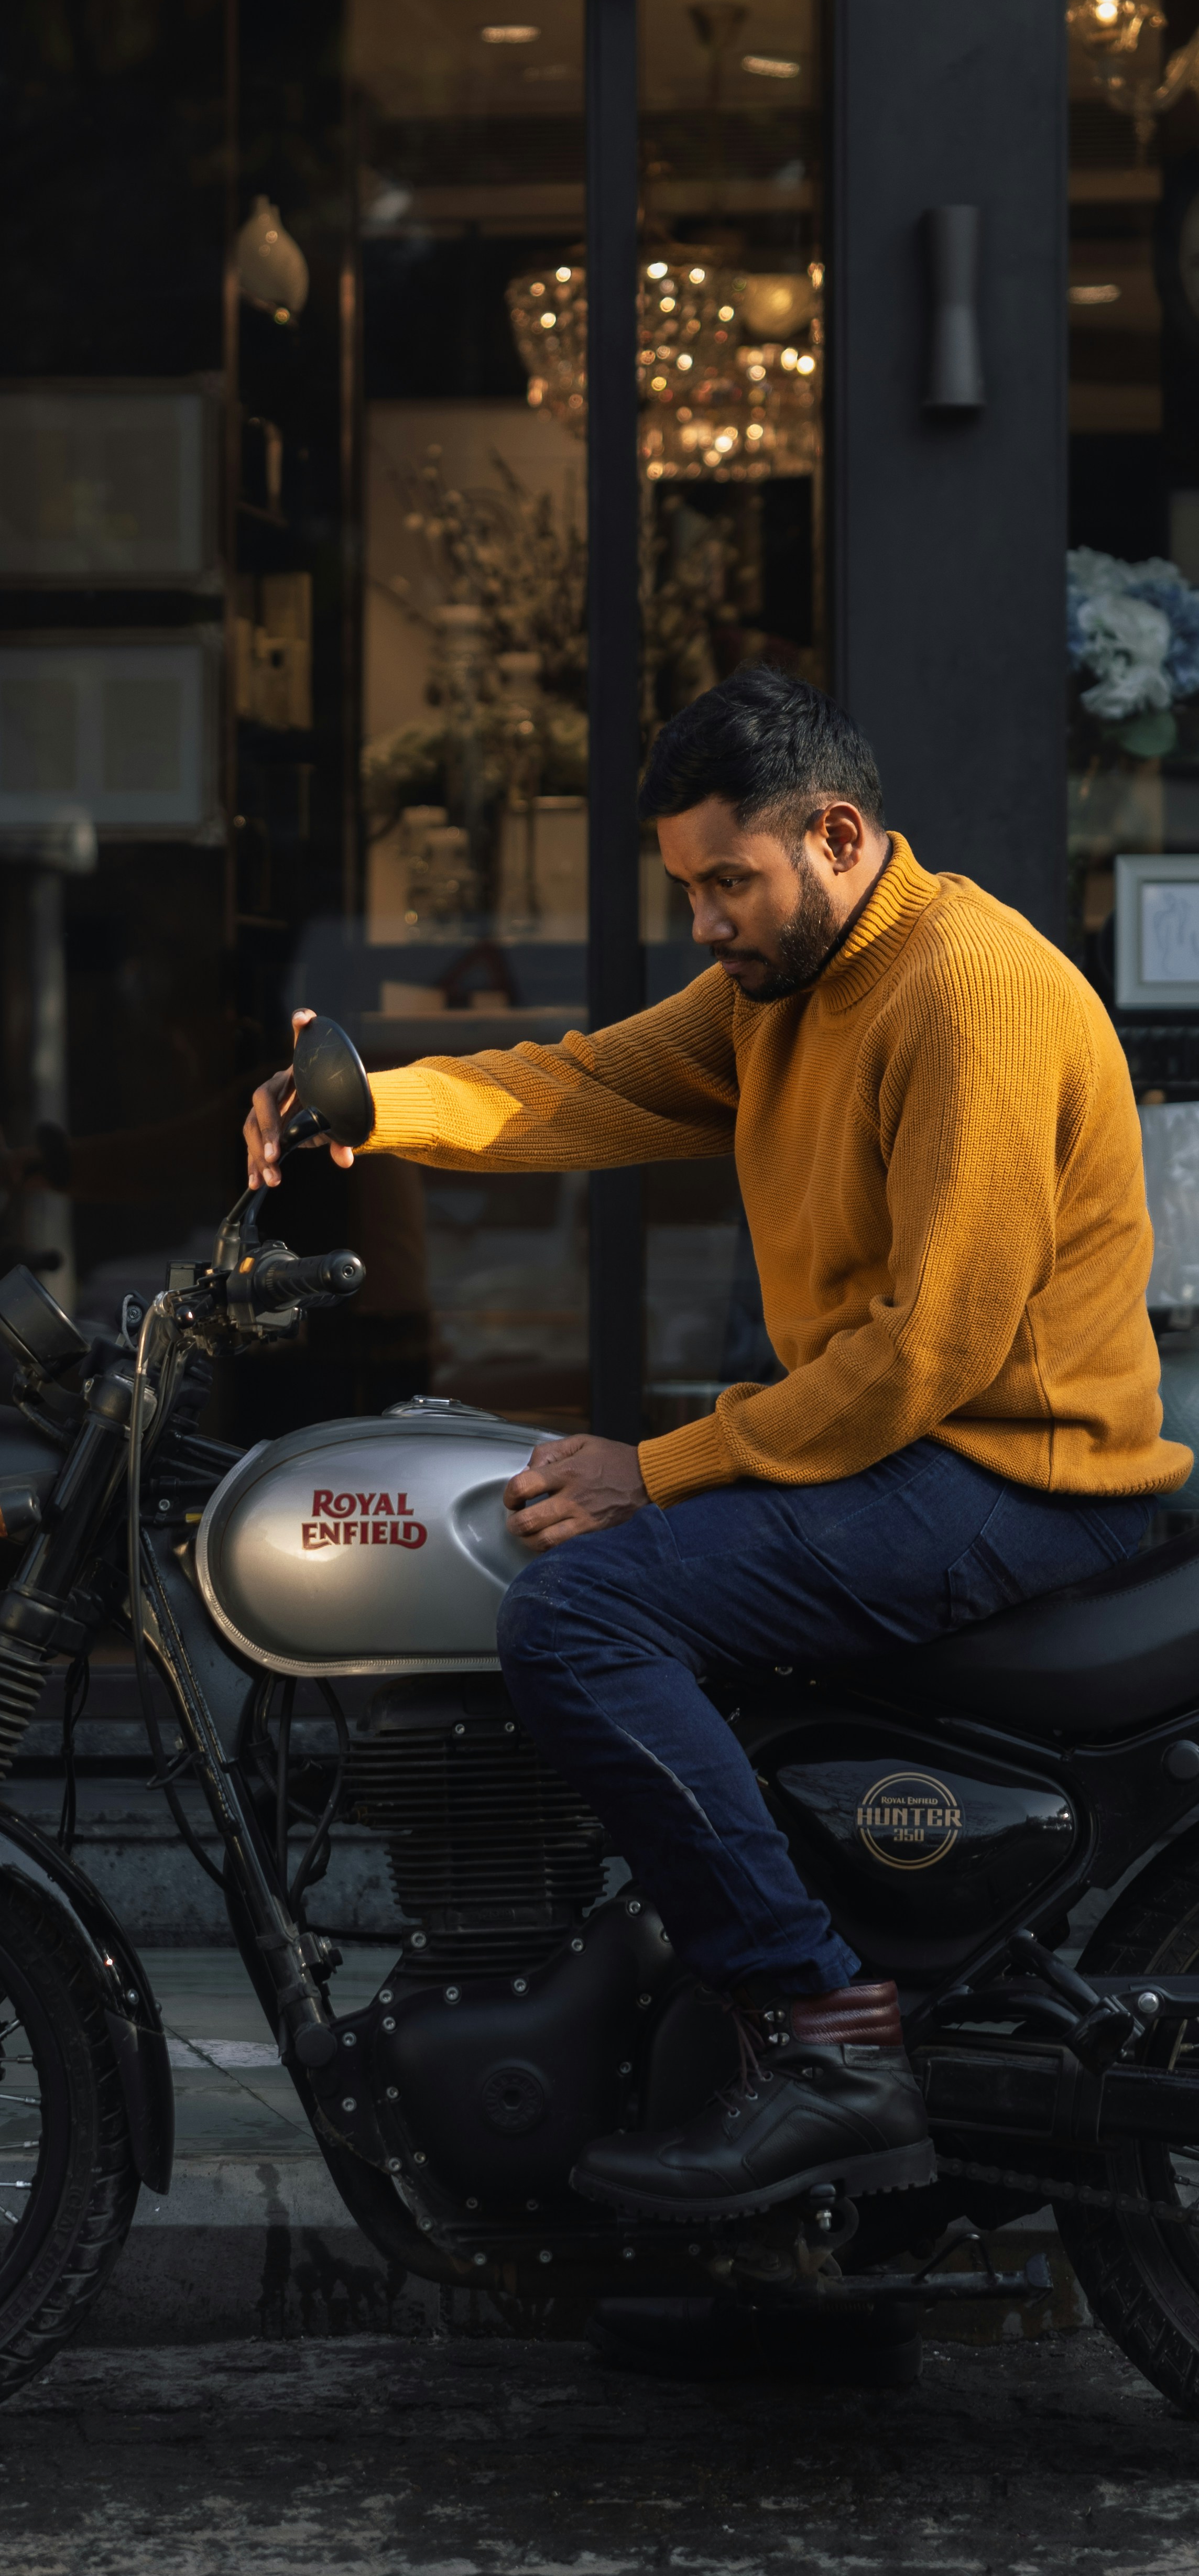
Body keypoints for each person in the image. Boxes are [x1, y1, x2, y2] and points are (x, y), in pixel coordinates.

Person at [244, 667, 1189, 2227]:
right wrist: (371, 1104)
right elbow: (588, 1080)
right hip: (917, 1460)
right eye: (686, 888)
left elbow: (928, 1355)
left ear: (835, 837)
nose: (705, 921)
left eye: (727, 883)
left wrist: (659, 1465)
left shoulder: (971, 992)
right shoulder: (784, 989)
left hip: (1016, 1480)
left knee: (583, 1608)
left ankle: (828, 2047)